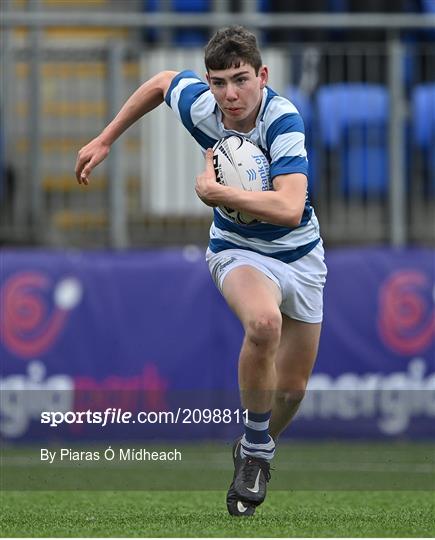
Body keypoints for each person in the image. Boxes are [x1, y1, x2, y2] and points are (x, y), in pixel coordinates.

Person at [75, 25, 327, 517]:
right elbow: (161, 82)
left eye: (240, 79)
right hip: (237, 250)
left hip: (300, 256)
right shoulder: (205, 108)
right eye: (218, 82)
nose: (230, 94)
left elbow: (291, 207)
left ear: (263, 75)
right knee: (263, 323)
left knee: (292, 391)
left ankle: (255, 445)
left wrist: (218, 194)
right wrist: (105, 139)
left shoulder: (283, 120)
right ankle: (256, 455)